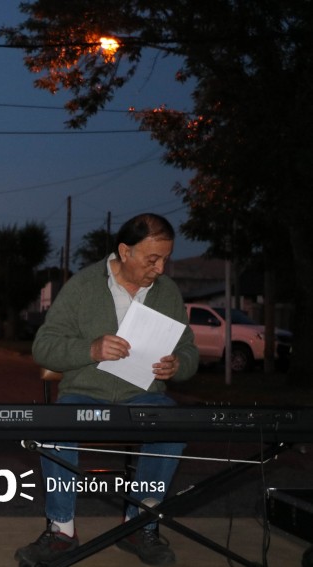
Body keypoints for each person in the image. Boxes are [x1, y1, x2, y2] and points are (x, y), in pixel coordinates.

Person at [16, 213, 199, 567]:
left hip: (143, 395)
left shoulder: (167, 292)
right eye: (152, 259)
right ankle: (61, 531)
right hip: (85, 393)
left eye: (165, 259)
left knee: (172, 422)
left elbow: (188, 349)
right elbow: (44, 346)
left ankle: (139, 524)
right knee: (56, 424)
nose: (160, 269)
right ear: (125, 251)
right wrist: (90, 350)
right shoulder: (83, 286)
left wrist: (178, 364)